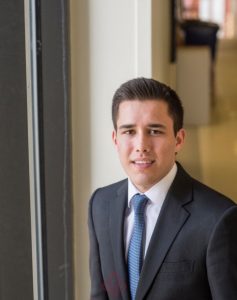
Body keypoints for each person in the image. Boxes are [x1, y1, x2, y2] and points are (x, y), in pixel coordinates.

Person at [88, 77, 237, 300]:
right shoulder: (100, 204)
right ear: (115, 140)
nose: (141, 146)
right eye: (129, 132)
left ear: (179, 139)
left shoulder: (218, 218)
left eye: (155, 131)